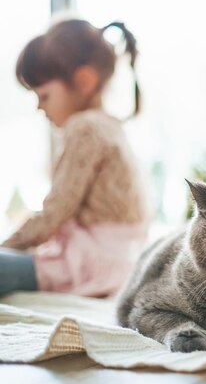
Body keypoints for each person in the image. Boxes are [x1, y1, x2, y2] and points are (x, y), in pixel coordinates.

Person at [0, 19, 150, 298]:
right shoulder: (110, 126)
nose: (39, 107)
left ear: (84, 81)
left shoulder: (85, 128)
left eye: (44, 95)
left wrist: (6, 245)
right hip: (115, 265)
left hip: (88, 266)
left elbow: (53, 215)